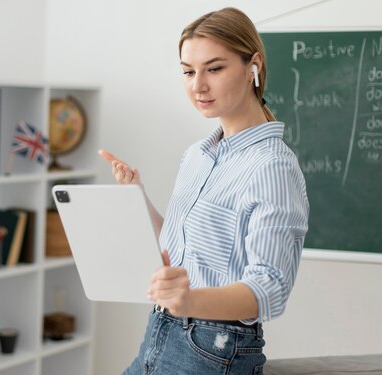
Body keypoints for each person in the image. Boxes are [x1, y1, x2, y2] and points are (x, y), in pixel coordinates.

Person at [99, 7, 309, 374]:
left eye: (214, 68)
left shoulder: (272, 166)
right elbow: (177, 247)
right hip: (160, 332)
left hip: (214, 349)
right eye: (188, 71)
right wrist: (137, 196)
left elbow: (269, 289)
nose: (198, 85)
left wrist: (190, 300)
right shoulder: (197, 155)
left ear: (253, 66)